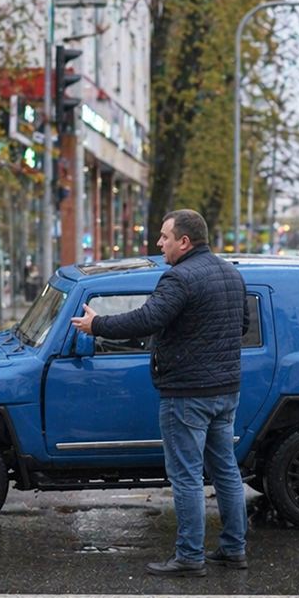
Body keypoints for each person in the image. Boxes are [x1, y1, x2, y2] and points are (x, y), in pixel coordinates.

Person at [71, 209, 250, 577]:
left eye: (165, 237)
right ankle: (234, 549)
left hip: (187, 393)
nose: (159, 244)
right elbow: (243, 324)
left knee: (185, 475)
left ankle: (189, 557)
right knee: (226, 471)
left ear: (184, 242)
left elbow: (146, 319)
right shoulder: (231, 272)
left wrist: (97, 324)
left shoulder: (179, 278)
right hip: (225, 390)